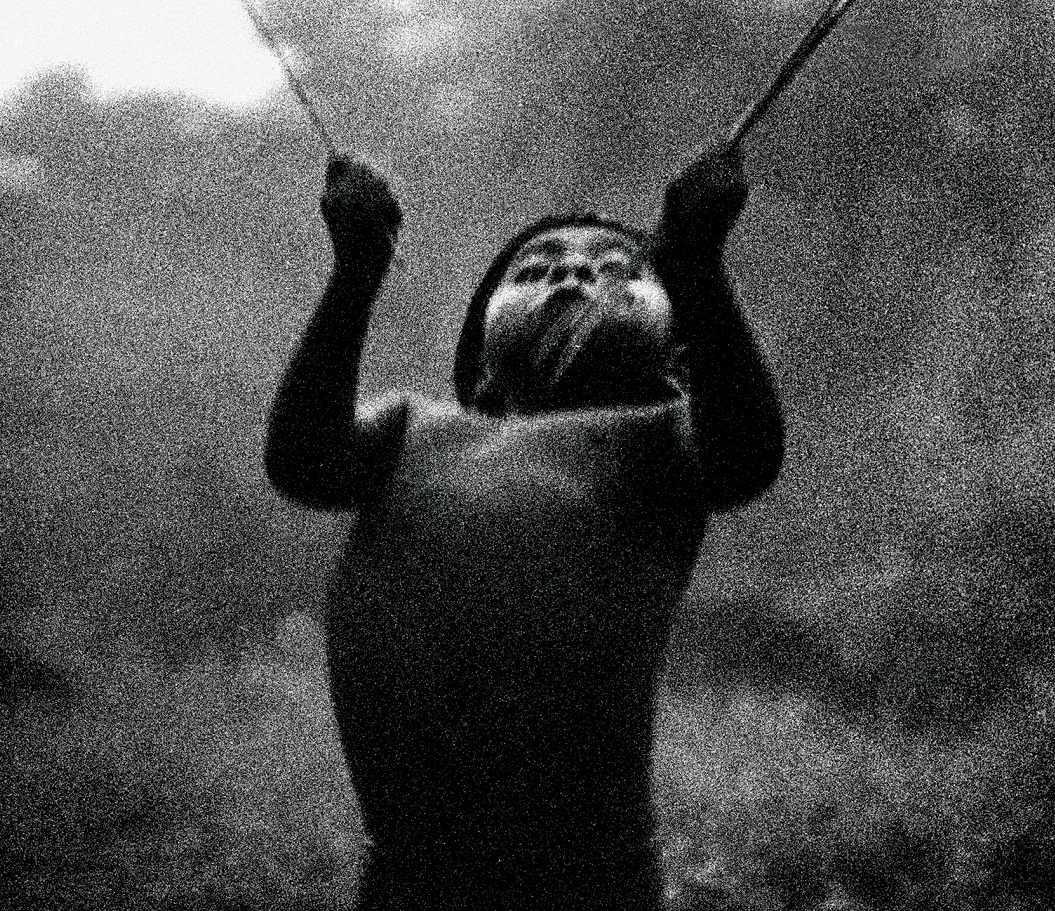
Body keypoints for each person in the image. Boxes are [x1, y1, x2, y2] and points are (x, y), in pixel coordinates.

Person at [265, 144, 784, 910]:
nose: (573, 275)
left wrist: (701, 267)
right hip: (405, 883)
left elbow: (746, 454)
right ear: (477, 365)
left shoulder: (662, 440)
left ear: (680, 355)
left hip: (596, 885)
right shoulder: (409, 427)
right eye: (537, 269)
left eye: (618, 270)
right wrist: (354, 274)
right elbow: (302, 462)